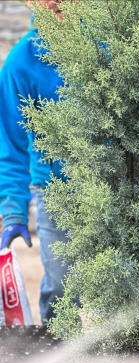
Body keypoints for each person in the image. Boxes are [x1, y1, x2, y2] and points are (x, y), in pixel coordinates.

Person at [0, 0, 68, 325]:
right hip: (56, 193)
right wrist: (13, 210)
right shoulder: (20, 63)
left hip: (116, 186)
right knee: (60, 288)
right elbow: (11, 146)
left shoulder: (108, 49)